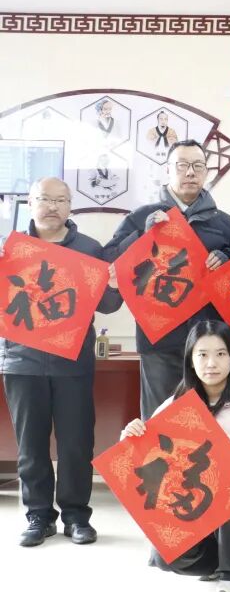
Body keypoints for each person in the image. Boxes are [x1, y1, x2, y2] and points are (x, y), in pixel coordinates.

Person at [120, 321, 230, 592]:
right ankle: (219, 562)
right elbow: (149, 456)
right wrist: (131, 437)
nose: (211, 363)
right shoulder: (177, 404)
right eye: (202, 355)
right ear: (191, 360)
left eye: (220, 354)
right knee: (166, 558)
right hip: (196, 503)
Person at [1, 177, 122, 547]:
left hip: (73, 363)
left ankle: (75, 516)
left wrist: (113, 283)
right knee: (31, 445)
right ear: (30, 202)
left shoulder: (89, 248)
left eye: (60, 200)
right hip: (22, 360)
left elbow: (109, 306)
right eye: (44, 199)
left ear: (70, 205)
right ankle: (39, 516)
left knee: (75, 443)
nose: (52, 206)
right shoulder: (10, 247)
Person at [105, 139, 230, 418]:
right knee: (159, 421)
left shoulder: (224, 223)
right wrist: (143, 236)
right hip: (159, 341)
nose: (190, 172)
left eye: (198, 165)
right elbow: (110, 263)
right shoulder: (141, 217)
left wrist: (226, 258)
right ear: (167, 170)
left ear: (206, 172)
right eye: (182, 165)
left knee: (208, 422)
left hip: (209, 342)